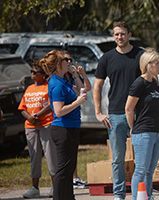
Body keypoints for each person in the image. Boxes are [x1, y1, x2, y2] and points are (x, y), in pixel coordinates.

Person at [93, 21, 143, 200]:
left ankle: (142, 191)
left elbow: (152, 78)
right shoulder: (107, 58)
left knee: (142, 158)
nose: (119, 37)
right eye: (116, 34)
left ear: (129, 34)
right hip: (115, 114)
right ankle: (119, 194)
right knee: (117, 159)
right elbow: (97, 86)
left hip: (139, 114)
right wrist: (98, 112)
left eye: (122, 34)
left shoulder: (140, 55)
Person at [40, 50, 87, 200]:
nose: (69, 62)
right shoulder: (57, 84)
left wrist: (76, 75)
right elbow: (59, 111)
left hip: (71, 127)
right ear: (59, 65)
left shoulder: (63, 80)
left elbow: (81, 89)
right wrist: (77, 102)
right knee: (63, 170)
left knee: (69, 168)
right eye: (65, 60)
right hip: (62, 129)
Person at [125, 48, 159, 200]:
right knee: (141, 169)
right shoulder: (139, 83)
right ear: (148, 64)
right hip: (143, 132)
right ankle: (137, 197)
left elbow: (152, 103)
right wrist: (133, 128)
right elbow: (129, 108)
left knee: (150, 170)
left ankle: (146, 196)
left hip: (157, 131)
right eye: (157, 63)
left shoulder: (156, 83)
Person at [18, 62, 55, 198]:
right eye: (31, 72)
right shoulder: (29, 88)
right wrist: (30, 118)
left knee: (50, 155)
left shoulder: (48, 87)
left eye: (35, 72)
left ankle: (55, 186)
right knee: (34, 158)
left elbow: (52, 104)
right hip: (31, 127)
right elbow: (22, 107)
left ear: (43, 75)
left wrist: (39, 115)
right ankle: (35, 187)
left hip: (46, 125)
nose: (32, 75)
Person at [63, 52, 91, 189]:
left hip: (74, 118)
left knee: (73, 150)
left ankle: (74, 178)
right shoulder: (58, 78)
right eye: (65, 59)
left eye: (70, 59)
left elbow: (85, 89)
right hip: (63, 120)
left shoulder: (71, 76)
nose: (69, 62)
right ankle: (67, 179)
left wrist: (80, 74)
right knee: (64, 152)